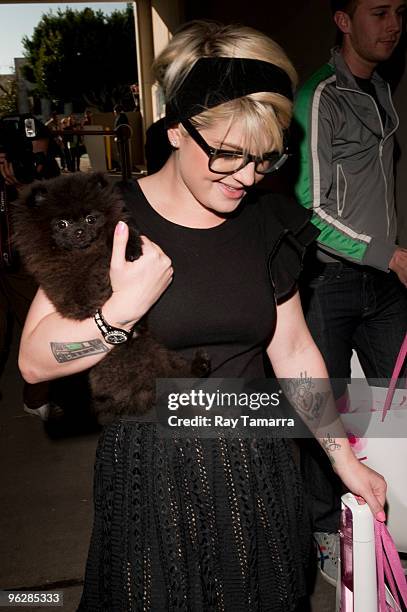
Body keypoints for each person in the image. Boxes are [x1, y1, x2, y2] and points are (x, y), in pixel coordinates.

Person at [19, 21, 387, 611]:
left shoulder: (267, 223)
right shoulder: (107, 219)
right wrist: (121, 310)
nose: (246, 176)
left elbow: (291, 350)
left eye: (265, 159)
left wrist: (344, 461)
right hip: (150, 478)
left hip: (259, 468)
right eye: (227, 153)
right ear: (174, 129)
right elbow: (35, 362)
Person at [293, 0, 407, 586]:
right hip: (329, 281)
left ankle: (396, 521)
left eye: (400, 12)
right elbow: (309, 207)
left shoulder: (383, 90)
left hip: (384, 286)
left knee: (396, 409)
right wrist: (388, 253)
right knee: (324, 414)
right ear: (343, 20)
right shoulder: (319, 95)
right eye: (379, 11)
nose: (393, 24)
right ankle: (326, 539)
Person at [0, 114, 62, 420]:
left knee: (43, 331)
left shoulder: (46, 173)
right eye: (29, 156)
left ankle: (36, 400)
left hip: (24, 264)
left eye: (42, 155)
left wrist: (26, 189)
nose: (36, 163)